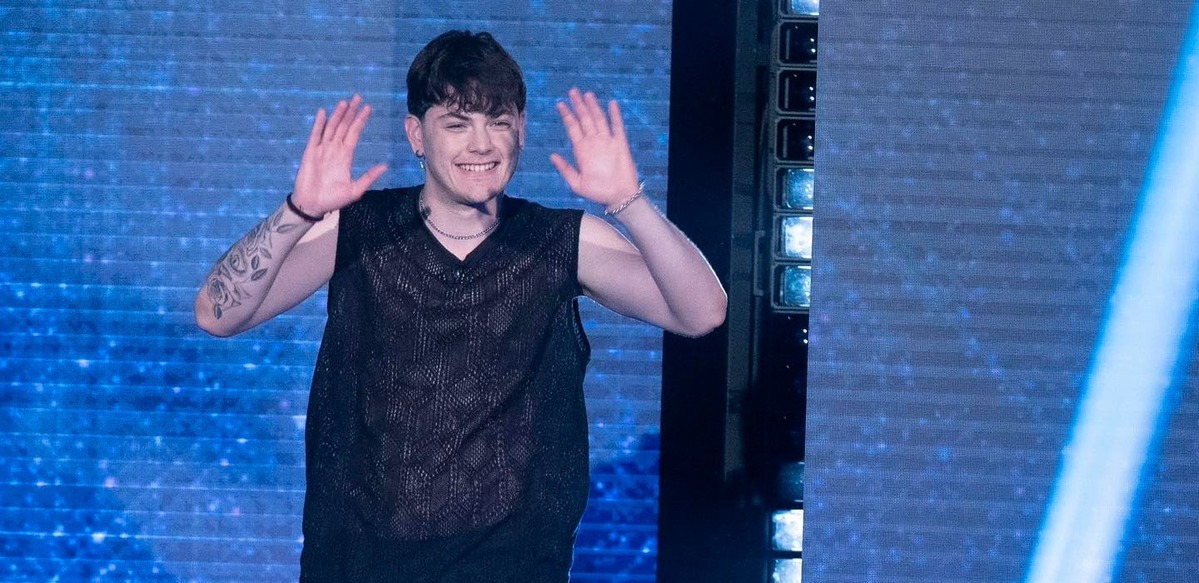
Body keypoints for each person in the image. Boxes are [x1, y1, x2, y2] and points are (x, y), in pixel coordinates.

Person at [194, 30, 726, 582]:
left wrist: (627, 202)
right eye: (456, 124)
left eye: (498, 122)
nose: (481, 144)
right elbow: (217, 314)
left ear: (521, 131)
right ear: (416, 135)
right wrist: (299, 212)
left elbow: (702, 312)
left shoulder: (559, 240)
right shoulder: (359, 229)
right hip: (359, 565)